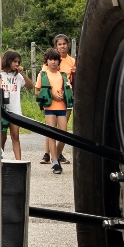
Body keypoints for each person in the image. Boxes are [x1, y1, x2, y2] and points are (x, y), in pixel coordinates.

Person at [35, 48, 72, 174]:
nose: (53, 62)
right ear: (47, 61)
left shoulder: (63, 76)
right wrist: (52, 96)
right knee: (51, 133)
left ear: (59, 61)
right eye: (51, 59)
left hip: (62, 107)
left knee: (64, 135)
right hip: (49, 108)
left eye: (56, 59)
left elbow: (69, 90)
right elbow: (37, 91)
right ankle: (55, 162)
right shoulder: (42, 75)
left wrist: (63, 94)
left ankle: (56, 154)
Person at [0, 51, 32, 160]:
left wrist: (22, 73)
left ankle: (19, 161)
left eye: (18, 62)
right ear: (8, 61)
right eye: (14, 61)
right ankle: (1, 160)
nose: (17, 64)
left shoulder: (18, 76)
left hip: (15, 110)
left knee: (15, 136)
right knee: (2, 137)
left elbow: (30, 86)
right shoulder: (0, 75)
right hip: (2, 110)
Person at [54, 33, 75, 164]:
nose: (62, 46)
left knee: (64, 127)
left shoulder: (72, 61)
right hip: (55, 95)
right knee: (53, 126)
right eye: (60, 44)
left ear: (68, 45)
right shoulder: (53, 59)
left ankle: (58, 154)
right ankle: (51, 154)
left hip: (67, 95)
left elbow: (73, 79)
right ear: (56, 46)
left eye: (64, 44)